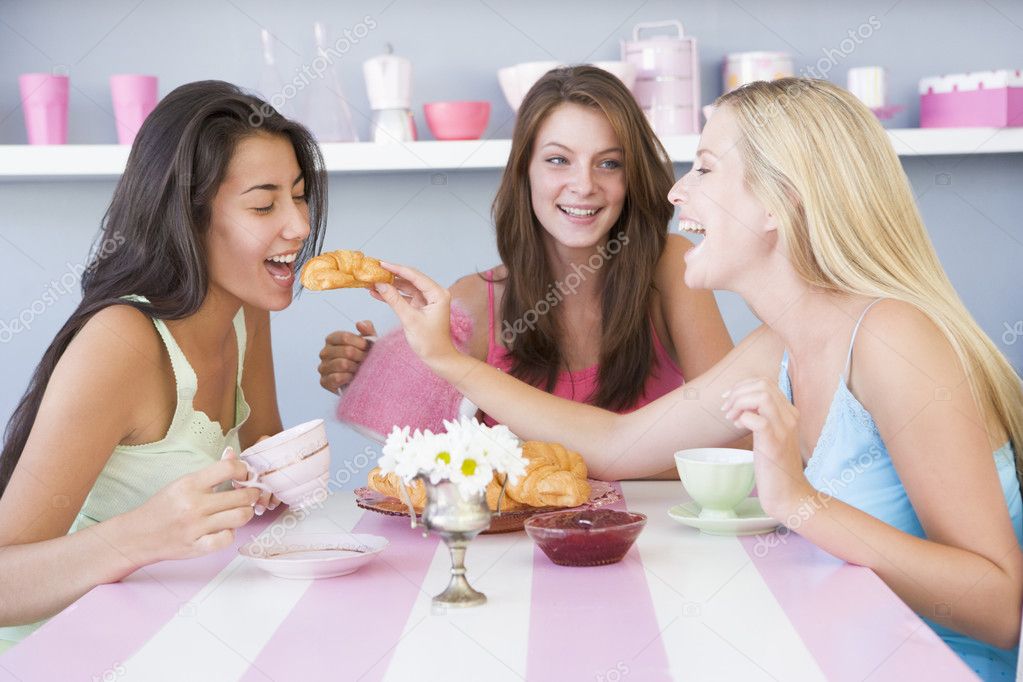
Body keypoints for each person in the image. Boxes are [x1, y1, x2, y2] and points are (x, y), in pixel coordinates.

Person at [372, 77, 1023, 679]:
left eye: (706, 169)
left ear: (779, 202)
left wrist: (800, 505)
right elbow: (615, 446)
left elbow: (996, 606)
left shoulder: (890, 339)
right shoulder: (783, 344)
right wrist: (448, 361)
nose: (676, 192)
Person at [0, 80, 325, 650]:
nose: (298, 226)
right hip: (54, 649)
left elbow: (264, 465)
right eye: (263, 203)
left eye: (298, 196)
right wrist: (138, 537)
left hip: (163, 636)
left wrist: (366, 377)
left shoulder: (246, 312)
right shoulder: (121, 344)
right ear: (188, 214)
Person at [318, 66, 736, 478]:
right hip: (517, 541)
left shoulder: (671, 270)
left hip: (661, 540)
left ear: (631, 177)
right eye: (558, 160)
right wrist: (381, 372)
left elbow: (734, 442)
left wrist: (563, 463)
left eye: (608, 164)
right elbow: (432, 464)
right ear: (525, 170)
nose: (583, 184)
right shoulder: (473, 302)